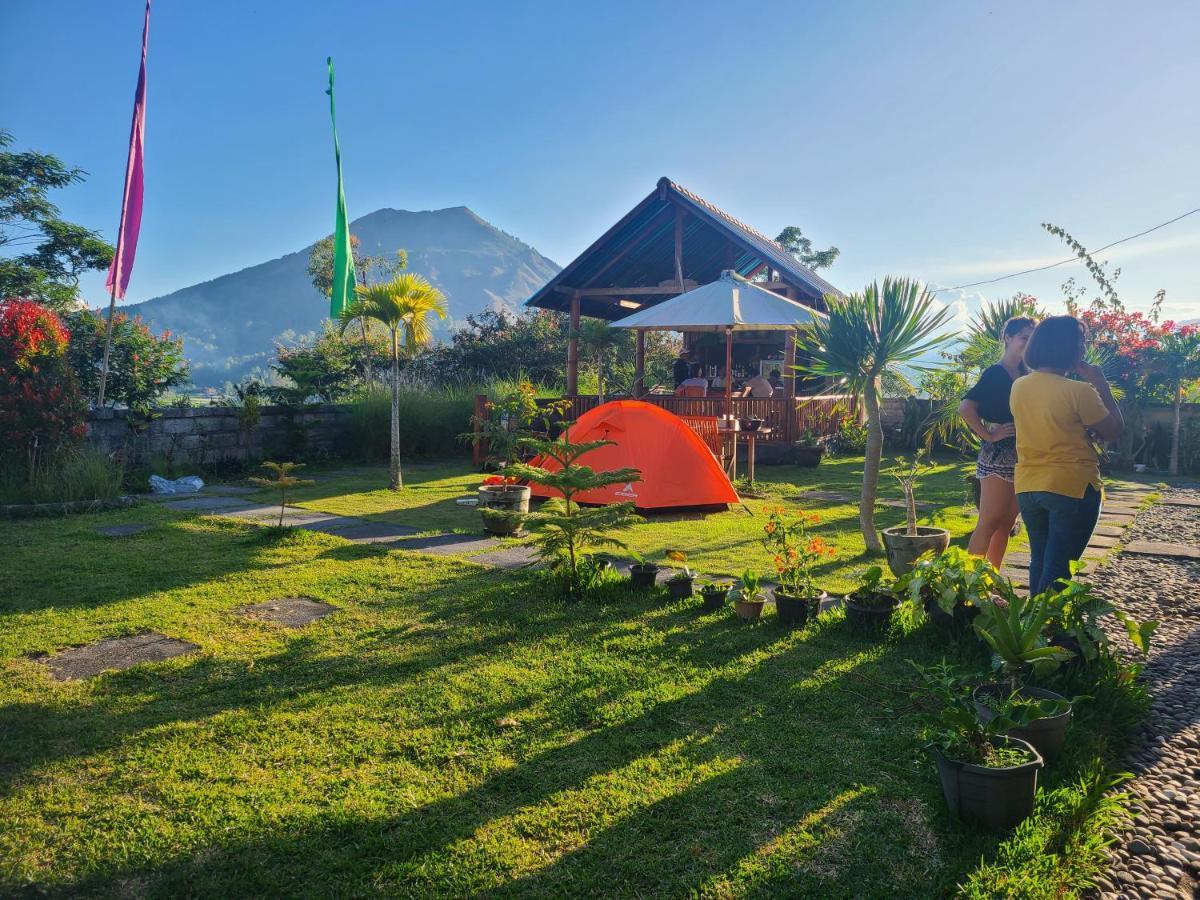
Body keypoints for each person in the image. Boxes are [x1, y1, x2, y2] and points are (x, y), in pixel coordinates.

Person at [1009, 316, 1123, 595]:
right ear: (1068, 348)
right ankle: (1048, 630)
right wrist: (1102, 385)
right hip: (1071, 486)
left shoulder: (1020, 386)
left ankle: (1031, 629)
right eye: (1081, 342)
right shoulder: (1079, 390)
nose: (1084, 348)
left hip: (1028, 485)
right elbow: (1114, 429)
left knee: (1041, 560)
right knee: (1059, 567)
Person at [958, 316, 1036, 566]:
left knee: (1007, 523)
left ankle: (991, 581)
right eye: (1024, 337)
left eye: (1032, 338)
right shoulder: (995, 373)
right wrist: (989, 435)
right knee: (988, 522)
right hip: (998, 457)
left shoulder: (1028, 375)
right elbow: (966, 407)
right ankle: (970, 586)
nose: (1028, 343)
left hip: (1024, 456)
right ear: (1008, 338)